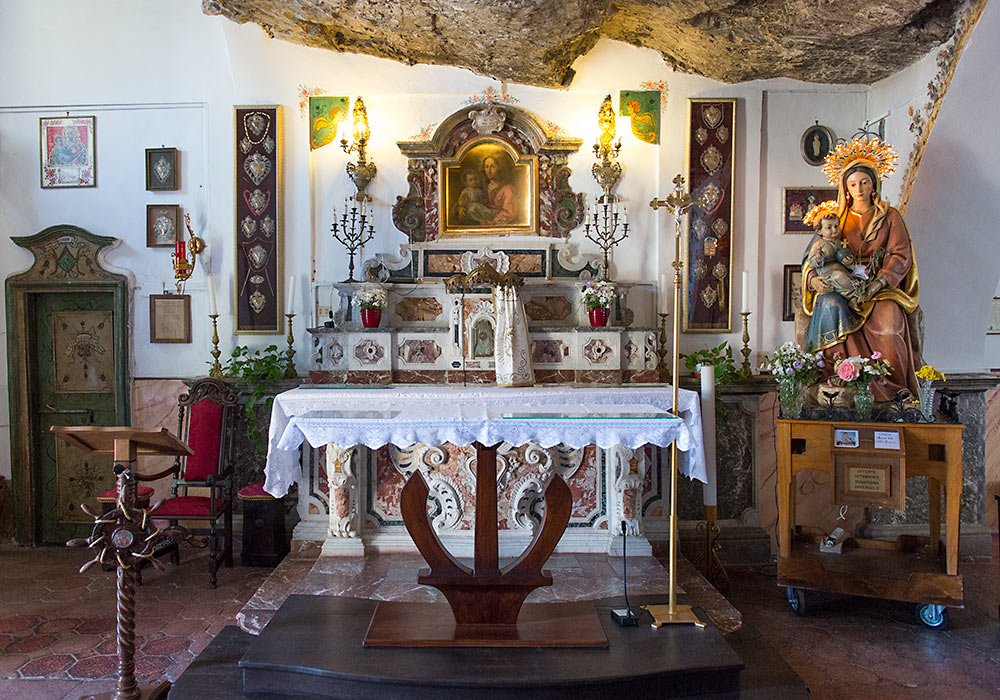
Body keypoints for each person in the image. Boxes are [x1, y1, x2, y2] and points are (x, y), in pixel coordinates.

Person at [802, 138, 920, 400]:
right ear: (845, 187)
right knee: (830, 305)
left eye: (864, 182)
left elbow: (901, 255)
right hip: (844, 288)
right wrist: (813, 281)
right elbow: (811, 257)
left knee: (889, 325)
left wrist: (879, 283)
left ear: (874, 183)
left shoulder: (891, 217)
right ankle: (841, 378)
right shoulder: (836, 219)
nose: (859, 189)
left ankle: (894, 390)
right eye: (853, 184)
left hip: (881, 288)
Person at [482, 155, 517, 225]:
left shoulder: (508, 189)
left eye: (492, 167)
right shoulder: (483, 187)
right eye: (487, 167)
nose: (489, 171)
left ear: (499, 168)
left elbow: (509, 211)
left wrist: (494, 221)